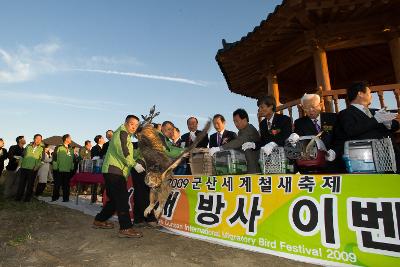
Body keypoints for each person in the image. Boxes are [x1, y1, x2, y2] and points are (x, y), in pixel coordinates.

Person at [93, 115, 144, 238]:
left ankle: (99, 220)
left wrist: (141, 152)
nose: (134, 127)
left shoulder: (126, 136)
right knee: (121, 199)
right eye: (132, 124)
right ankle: (125, 228)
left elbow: (130, 153)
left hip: (115, 171)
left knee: (115, 200)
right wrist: (134, 164)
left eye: (136, 125)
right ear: (126, 123)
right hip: (114, 171)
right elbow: (124, 153)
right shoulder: (122, 133)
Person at [334, 81, 400, 172]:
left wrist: (388, 123)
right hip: (367, 160)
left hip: (391, 157)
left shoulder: (376, 111)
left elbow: (396, 126)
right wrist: (375, 120)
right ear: (360, 93)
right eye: (369, 93)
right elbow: (351, 130)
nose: (371, 95)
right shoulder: (346, 113)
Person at [289, 93, 337, 172]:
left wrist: (335, 151)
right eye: (306, 108)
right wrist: (294, 137)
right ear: (303, 108)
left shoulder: (333, 118)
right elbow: (299, 140)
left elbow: (340, 138)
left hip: (333, 165)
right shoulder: (300, 123)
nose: (311, 110)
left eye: (313, 106)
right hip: (312, 166)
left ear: (320, 105)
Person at [209, 109, 261, 173]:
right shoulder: (241, 131)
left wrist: (220, 148)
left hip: (253, 168)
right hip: (245, 167)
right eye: (234, 122)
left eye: (237, 121)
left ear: (244, 120)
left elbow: (239, 141)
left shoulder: (250, 129)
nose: (235, 124)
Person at [15, 134, 44, 202]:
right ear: (34, 139)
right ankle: (18, 198)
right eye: (37, 138)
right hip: (24, 167)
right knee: (21, 184)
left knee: (30, 185)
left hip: (33, 169)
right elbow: (22, 156)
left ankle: (27, 199)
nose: (38, 140)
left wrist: (37, 166)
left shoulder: (42, 148)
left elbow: (42, 159)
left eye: (40, 139)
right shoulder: (28, 146)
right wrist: (20, 165)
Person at [52, 134, 75, 202]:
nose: (71, 139)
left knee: (66, 185)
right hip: (59, 169)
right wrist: (55, 167)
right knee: (57, 184)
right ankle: (55, 198)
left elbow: (72, 159)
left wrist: (72, 167)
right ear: (66, 139)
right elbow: (55, 157)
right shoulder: (59, 147)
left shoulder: (71, 149)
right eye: (70, 138)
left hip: (67, 170)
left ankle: (66, 198)